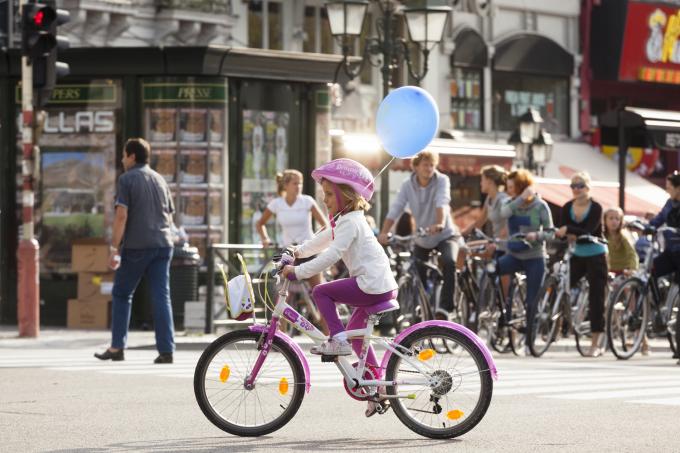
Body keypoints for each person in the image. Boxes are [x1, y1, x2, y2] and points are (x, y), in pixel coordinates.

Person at [281, 158, 398, 417]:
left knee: (322, 291)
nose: (324, 200)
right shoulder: (346, 220)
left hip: (371, 285)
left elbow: (331, 254)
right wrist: (296, 251)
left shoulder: (350, 222)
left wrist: (298, 271)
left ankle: (338, 340)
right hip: (376, 284)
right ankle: (376, 391)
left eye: (327, 194)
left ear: (342, 194)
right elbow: (319, 242)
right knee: (359, 339)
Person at [95, 138, 176, 364]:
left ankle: (117, 347)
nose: (122, 159)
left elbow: (121, 216)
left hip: (138, 245)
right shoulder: (160, 179)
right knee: (162, 296)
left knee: (122, 293)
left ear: (132, 156)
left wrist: (114, 248)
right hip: (163, 244)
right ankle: (166, 350)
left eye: (124, 155)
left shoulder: (127, 179)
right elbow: (170, 216)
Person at [377, 151, 458, 319]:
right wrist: (384, 232)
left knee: (450, 262)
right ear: (415, 167)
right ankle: (419, 309)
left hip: (444, 234)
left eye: (432, 165)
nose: (429, 168)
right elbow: (396, 208)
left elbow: (442, 201)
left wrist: (440, 223)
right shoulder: (407, 185)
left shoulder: (442, 180)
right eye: (425, 165)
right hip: (423, 237)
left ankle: (445, 308)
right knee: (416, 273)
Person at [256, 169, 328, 332]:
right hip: (289, 253)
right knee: (282, 294)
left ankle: (330, 336)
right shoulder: (277, 204)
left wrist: (316, 241)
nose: (299, 186)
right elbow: (260, 224)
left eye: (300, 183)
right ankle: (279, 337)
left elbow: (324, 224)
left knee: (319, 292)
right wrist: (265, 239)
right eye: (295, 183)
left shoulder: (307, 201)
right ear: (286, 185)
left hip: (308, 250)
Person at [554, 172, 608, 357]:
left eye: (580, 185)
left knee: (596, 298)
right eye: (573, 186)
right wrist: (568, 231)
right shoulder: (567, 206)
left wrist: (569, 230)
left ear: (588, 187)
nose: (576, 189)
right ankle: (558, 326)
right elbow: (563, 231)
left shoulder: (596, 207)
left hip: (595, 254)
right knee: (560, 286)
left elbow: (588, 230)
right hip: (577, 253)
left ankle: (595, 343)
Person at [499, 169, 553, 353]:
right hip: (513, 255)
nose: (509, 192)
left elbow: (551, 233)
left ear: (522, 187)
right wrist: (520, 199)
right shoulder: (511, 203)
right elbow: (503, 213)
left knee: (532, 300)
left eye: (512, 188)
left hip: (534, 257)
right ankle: (500, 310)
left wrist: (536, 235)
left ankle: (530, 339)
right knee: (491, 270)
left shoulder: (540, 206)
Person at [648, 171, 680, 363]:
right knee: (650, 271)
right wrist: (646, 226)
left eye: (669, 187)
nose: (667, 190)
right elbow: (659, 219)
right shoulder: (670, 203)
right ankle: (660, 310)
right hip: (671, 252)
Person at [463, 165, 510, 240]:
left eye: (482, 180)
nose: (480, 183)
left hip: (504, 244)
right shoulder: (489, 198)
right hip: (495, 242)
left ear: (489, 181)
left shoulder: (502, 199)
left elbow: (511, 223)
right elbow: (479, 222)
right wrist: (461, 234)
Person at [604, 207, 639, 275]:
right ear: (604, 220)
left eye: (617, 219)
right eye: (611, 218)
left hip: (623, 271)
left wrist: (632, 268)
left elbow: (631, 252)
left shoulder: (624, 235)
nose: (614, 221)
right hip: (607, 270)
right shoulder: (602, 235)